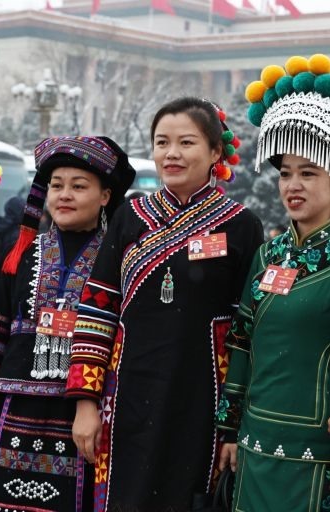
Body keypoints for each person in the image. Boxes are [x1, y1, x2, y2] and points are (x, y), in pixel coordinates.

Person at [65, 97, 263, 511]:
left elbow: (250, 331)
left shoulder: (241, 225)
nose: (171, 153)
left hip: (202, 400)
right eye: (162, 142)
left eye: (186, 142)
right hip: (127, 394)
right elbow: (98, 306)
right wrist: (86, 402)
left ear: (214, 152)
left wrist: (232, 426)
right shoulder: (130, 216)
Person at [216, 55, 330, 511]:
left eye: (309, 173)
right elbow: (242, 343)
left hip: (319, 452)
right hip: (253, 444)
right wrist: (228, 431)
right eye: (286, 173)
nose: (293, 184)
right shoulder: (269, 254)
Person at [0, 136, 135, 512]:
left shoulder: (119, 258)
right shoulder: (22, 254)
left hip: (83, 416)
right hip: (13, 411)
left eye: (79, 186)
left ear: (105, 196)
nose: (64, 195)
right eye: (56, 185)